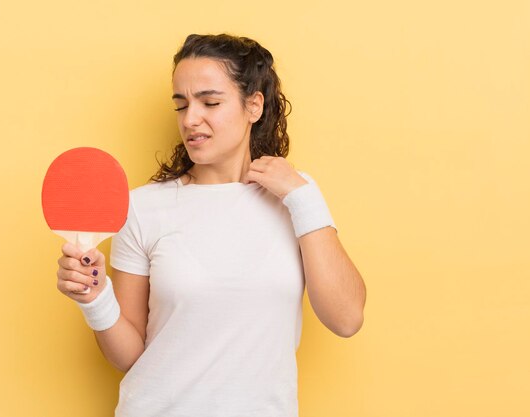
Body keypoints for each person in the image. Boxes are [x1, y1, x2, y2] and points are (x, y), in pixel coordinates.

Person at [56, 33, 366, 417]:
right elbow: (129, 355)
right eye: (181, 105)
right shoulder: (142, 207)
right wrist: (96, 298)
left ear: (254, 106)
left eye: (210, 102)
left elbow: (347, 319)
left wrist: (301, 197)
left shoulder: (297, 198)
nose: (190, 119)